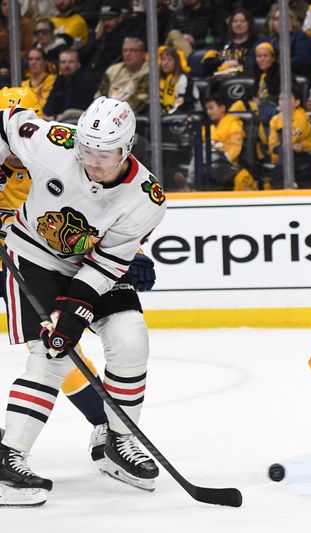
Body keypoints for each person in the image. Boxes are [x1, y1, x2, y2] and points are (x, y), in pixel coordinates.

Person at [0, 95, 167, 505]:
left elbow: (107, 264)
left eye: (104, 153)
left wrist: (73, 311)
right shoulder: (55, 143)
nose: (93, 160)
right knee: (51, 353)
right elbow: (6, 120)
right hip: (34, 257)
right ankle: (8, 458)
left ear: (127, 148)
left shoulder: (146, 198)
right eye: (87, 150)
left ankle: (117, 441)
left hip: (90, 265)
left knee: (131, 338)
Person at [265, 84, 311, 188]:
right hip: (283, 156)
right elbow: (272, 145)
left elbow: (293, 138)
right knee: (285, 150)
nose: (283, 103)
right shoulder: (275, 120)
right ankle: (286, 185)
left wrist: (287, 145)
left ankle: (274, 182)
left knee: (286, 150)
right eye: (281, 99)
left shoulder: (301, 117)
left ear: (296, 102)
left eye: (287, 99)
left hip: (305, 154)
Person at [95, 36, 149, 114]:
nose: (127, 54)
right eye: (125, 50)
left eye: (133, 50)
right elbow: (100, 96)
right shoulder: (112, 71)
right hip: (105, 113)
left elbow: (140, 101)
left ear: (143, 53)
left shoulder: (149, 72)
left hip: (131, 116)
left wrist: (115, 113)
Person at [201, 8, 261, 77]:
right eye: (235, 21)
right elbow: (207, 63)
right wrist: (222, 63)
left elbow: (256, 62)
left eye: (243, 21)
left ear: (249, 24)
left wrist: (238, 62)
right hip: (220, 77)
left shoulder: (257, 42)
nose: (238, 24)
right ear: (230, 24)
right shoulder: (221, 41)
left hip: (245, 77)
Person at [42, 47, 97, 120]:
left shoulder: (86, 80)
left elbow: (80, 108)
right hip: (59, 120)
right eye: (63, 62)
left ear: (78, 64)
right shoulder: (60, 79)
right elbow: (51, 103)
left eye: (71, 62)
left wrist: (54, 117)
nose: (66, 65)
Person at [263, 5, 311, 78]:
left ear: (292, 20)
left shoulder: (301, 37)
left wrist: (275, 64)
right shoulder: (266, 40)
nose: (280, 22)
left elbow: (301, 60)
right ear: (272, 22)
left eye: (284, 18)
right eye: (277, 19)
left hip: (294, 77)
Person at [159, 46, 191, 114]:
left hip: (183, 113)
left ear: (176, 62)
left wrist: (167, 115)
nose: (166, 63)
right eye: (163, 59)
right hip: (163, 115)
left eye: (170, 60)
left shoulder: (183, 78)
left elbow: (181, 102)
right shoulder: (158, 80)